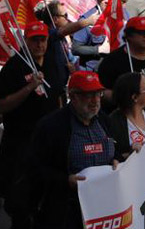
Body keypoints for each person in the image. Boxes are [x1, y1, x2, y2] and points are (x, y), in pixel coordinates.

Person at [0, 21, 63, 229]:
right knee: (20, 199)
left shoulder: (52, 62)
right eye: (35, 40)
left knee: (46, 195)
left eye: (43, 39)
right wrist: (29, 87)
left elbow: (58, 95)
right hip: (21, 141)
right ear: (26, 40)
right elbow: (1, 105)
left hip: (48, 141)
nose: (40, 44)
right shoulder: (13, 67)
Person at [29, 71, 116, 229]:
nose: (95, 101)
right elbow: (35, 169)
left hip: (102, 208)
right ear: (73, 96)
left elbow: (115, 152)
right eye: (88, 95)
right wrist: (65, 181)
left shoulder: (105, 121)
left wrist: (117, 160)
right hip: (65, 211)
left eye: (98, 94)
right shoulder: (51, 126)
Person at [97, 16, 145, 111]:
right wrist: (123, 98)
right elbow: (101, 91)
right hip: (125, 117)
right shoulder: (112, 61)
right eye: (141, 33)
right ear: (129, 36)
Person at [71, 0, 115, 69]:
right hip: (93, 74)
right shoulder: (87, 19)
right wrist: (99, 50)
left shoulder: (123, 15)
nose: (106, 0)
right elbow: (75, 49)